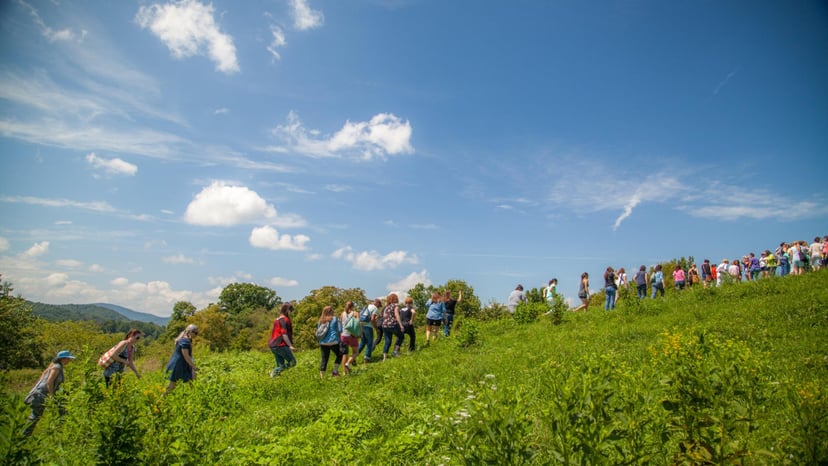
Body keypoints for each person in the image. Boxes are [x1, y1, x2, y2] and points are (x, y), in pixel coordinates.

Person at [23, 350, 76, 436]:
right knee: (35, 416)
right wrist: (51, 395)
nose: (69, 360)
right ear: (63, 359)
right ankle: (25, 435)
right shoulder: (57, 367)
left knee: (61, 411)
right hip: (41, 395)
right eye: (68, 358)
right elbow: (49, 382)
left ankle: (62, 432)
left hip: (42, 394)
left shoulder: (57, 366)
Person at [166, 324, 199, 392]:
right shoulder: (185, 341)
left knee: (192, 381)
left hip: (182, 364)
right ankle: (161, 398)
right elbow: (186, 355)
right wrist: (193, 366)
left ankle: (193, 395)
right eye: (195, 333)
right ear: (190, 332)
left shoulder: (186, 340)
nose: (196, 335)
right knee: (172, 386)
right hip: (178, 365)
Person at [268, 303, 296, 378]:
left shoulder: (277, 319)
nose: (291, 312)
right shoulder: (284, 320)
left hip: (273, 345)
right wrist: (290, 346)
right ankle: (274, 372)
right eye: (291, 310)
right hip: (280, 344)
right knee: (292, 362)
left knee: (281, 366)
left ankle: (275, 378)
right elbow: (284, 334)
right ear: (287, 310)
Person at [317, 305, 343, 378]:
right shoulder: (335, 319)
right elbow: (340, 330)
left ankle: (322, 378)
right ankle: (335, 372)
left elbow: (319, 332)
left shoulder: (320, 321)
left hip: (323, 343)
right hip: (333, 341)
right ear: (331, 311)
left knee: (324, 359)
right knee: (340, 355)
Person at [380, 293, 405, 360]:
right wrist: (401, 325)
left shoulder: (386, 307)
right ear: (396, 299)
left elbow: (384, 316)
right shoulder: (396, 306)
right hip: (392, 324)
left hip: (385, 325)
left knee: (387, 342)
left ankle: (384, 358)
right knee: (401, 336)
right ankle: (395, 351)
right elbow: (397, 315)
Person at [339, 301, 360, 374]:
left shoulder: (342, 314)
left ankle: (344, 372)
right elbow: (357, 323)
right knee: (356, 352)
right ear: (353, 306)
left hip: (343, 335)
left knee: (344, 354)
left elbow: (341, 324)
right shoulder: (355, 313)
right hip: (352, 335)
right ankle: (348, 363)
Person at [358, 298, 381, 363]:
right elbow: (372, 319)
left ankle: (353, 357)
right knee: (369, 343)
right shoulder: (375, 308)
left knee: (362, 342)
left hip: (361, 325)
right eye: (379, 305)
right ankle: (366, 360)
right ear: (377, 303)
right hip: (368, 327)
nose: (379, 307)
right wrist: (376, 329)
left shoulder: (366, 306)